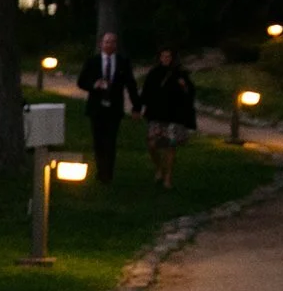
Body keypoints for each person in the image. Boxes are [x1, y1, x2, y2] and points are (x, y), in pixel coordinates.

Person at [81, 30, 138, 182]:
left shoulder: (122, 62)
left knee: (111, 140)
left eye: (112, 42)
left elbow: (131, 84)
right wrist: (94, 85)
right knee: (98, 140)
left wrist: (136, 106)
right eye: (107, 42)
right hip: (96, 107)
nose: (109, 45)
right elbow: (81, 81)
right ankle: (100, 169)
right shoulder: (93, 61)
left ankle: (108, 173)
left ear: (116, 45)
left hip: (114, 107)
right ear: (101, 44)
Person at [140, 48, 197, 189]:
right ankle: (159, 167)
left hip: (173, 115)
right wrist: (140, 107)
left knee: (170, 146)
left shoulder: (179, 74)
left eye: (168, 56)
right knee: (152, 144)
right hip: (156, 114)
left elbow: (190, 92)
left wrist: (184, 86)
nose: (166, 59)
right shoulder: (154, 73)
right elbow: (146, 91)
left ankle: (168, 177)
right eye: (163, 56)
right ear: (160, 58)